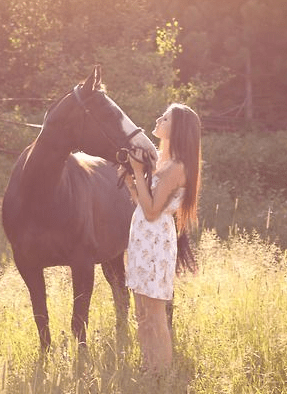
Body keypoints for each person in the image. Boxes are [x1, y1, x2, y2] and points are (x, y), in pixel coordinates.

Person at [123, 103, 201, 374]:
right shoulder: (161, 162)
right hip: (142, 238)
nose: (159, 119)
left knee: (155, 314)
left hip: (156, 241)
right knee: (141, 312)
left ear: (177, 128)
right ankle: (148, 367)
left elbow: (154, 210)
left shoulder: (177, 167)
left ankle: (163, 377)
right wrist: (133, 182)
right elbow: (142, 203)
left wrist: (136, 173)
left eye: (165, 118)